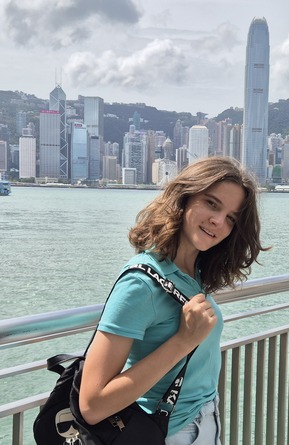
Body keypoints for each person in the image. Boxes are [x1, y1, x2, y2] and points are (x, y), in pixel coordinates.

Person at [79, 156, 267, 445]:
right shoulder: (141, 283)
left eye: (231, 218)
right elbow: (93, 405)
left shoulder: (193, 273)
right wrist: (183, 341)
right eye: (212, 204)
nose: (218, 221)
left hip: (205, 422)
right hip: (170, 433)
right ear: (184, 198)